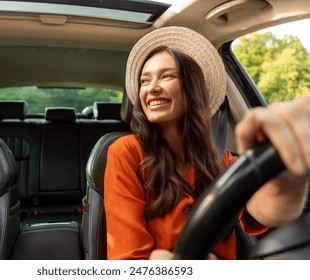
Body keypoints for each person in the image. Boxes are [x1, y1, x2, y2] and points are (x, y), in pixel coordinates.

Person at [104, 26, 310, 260]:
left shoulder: (221, 158)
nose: (152, 87)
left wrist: (287, 183)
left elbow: (262, 209)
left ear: (192, 88)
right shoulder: (124, 152)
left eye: (167, 75)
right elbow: (127, 258)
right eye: (144, 80)